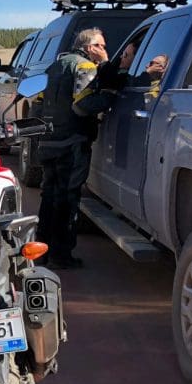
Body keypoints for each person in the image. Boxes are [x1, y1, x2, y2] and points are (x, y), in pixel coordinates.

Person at [34, 28, 117, 269]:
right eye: (100, 46)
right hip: (71, 143)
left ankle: (42, 250)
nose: (104, 50)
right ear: (90, 47)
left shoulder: (54, 67)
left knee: (48, 197)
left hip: (49, 142)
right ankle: (62, 255)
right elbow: (82, 106)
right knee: (67, 199)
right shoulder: (85, 67)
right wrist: (110, 94)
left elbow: (39, 104)